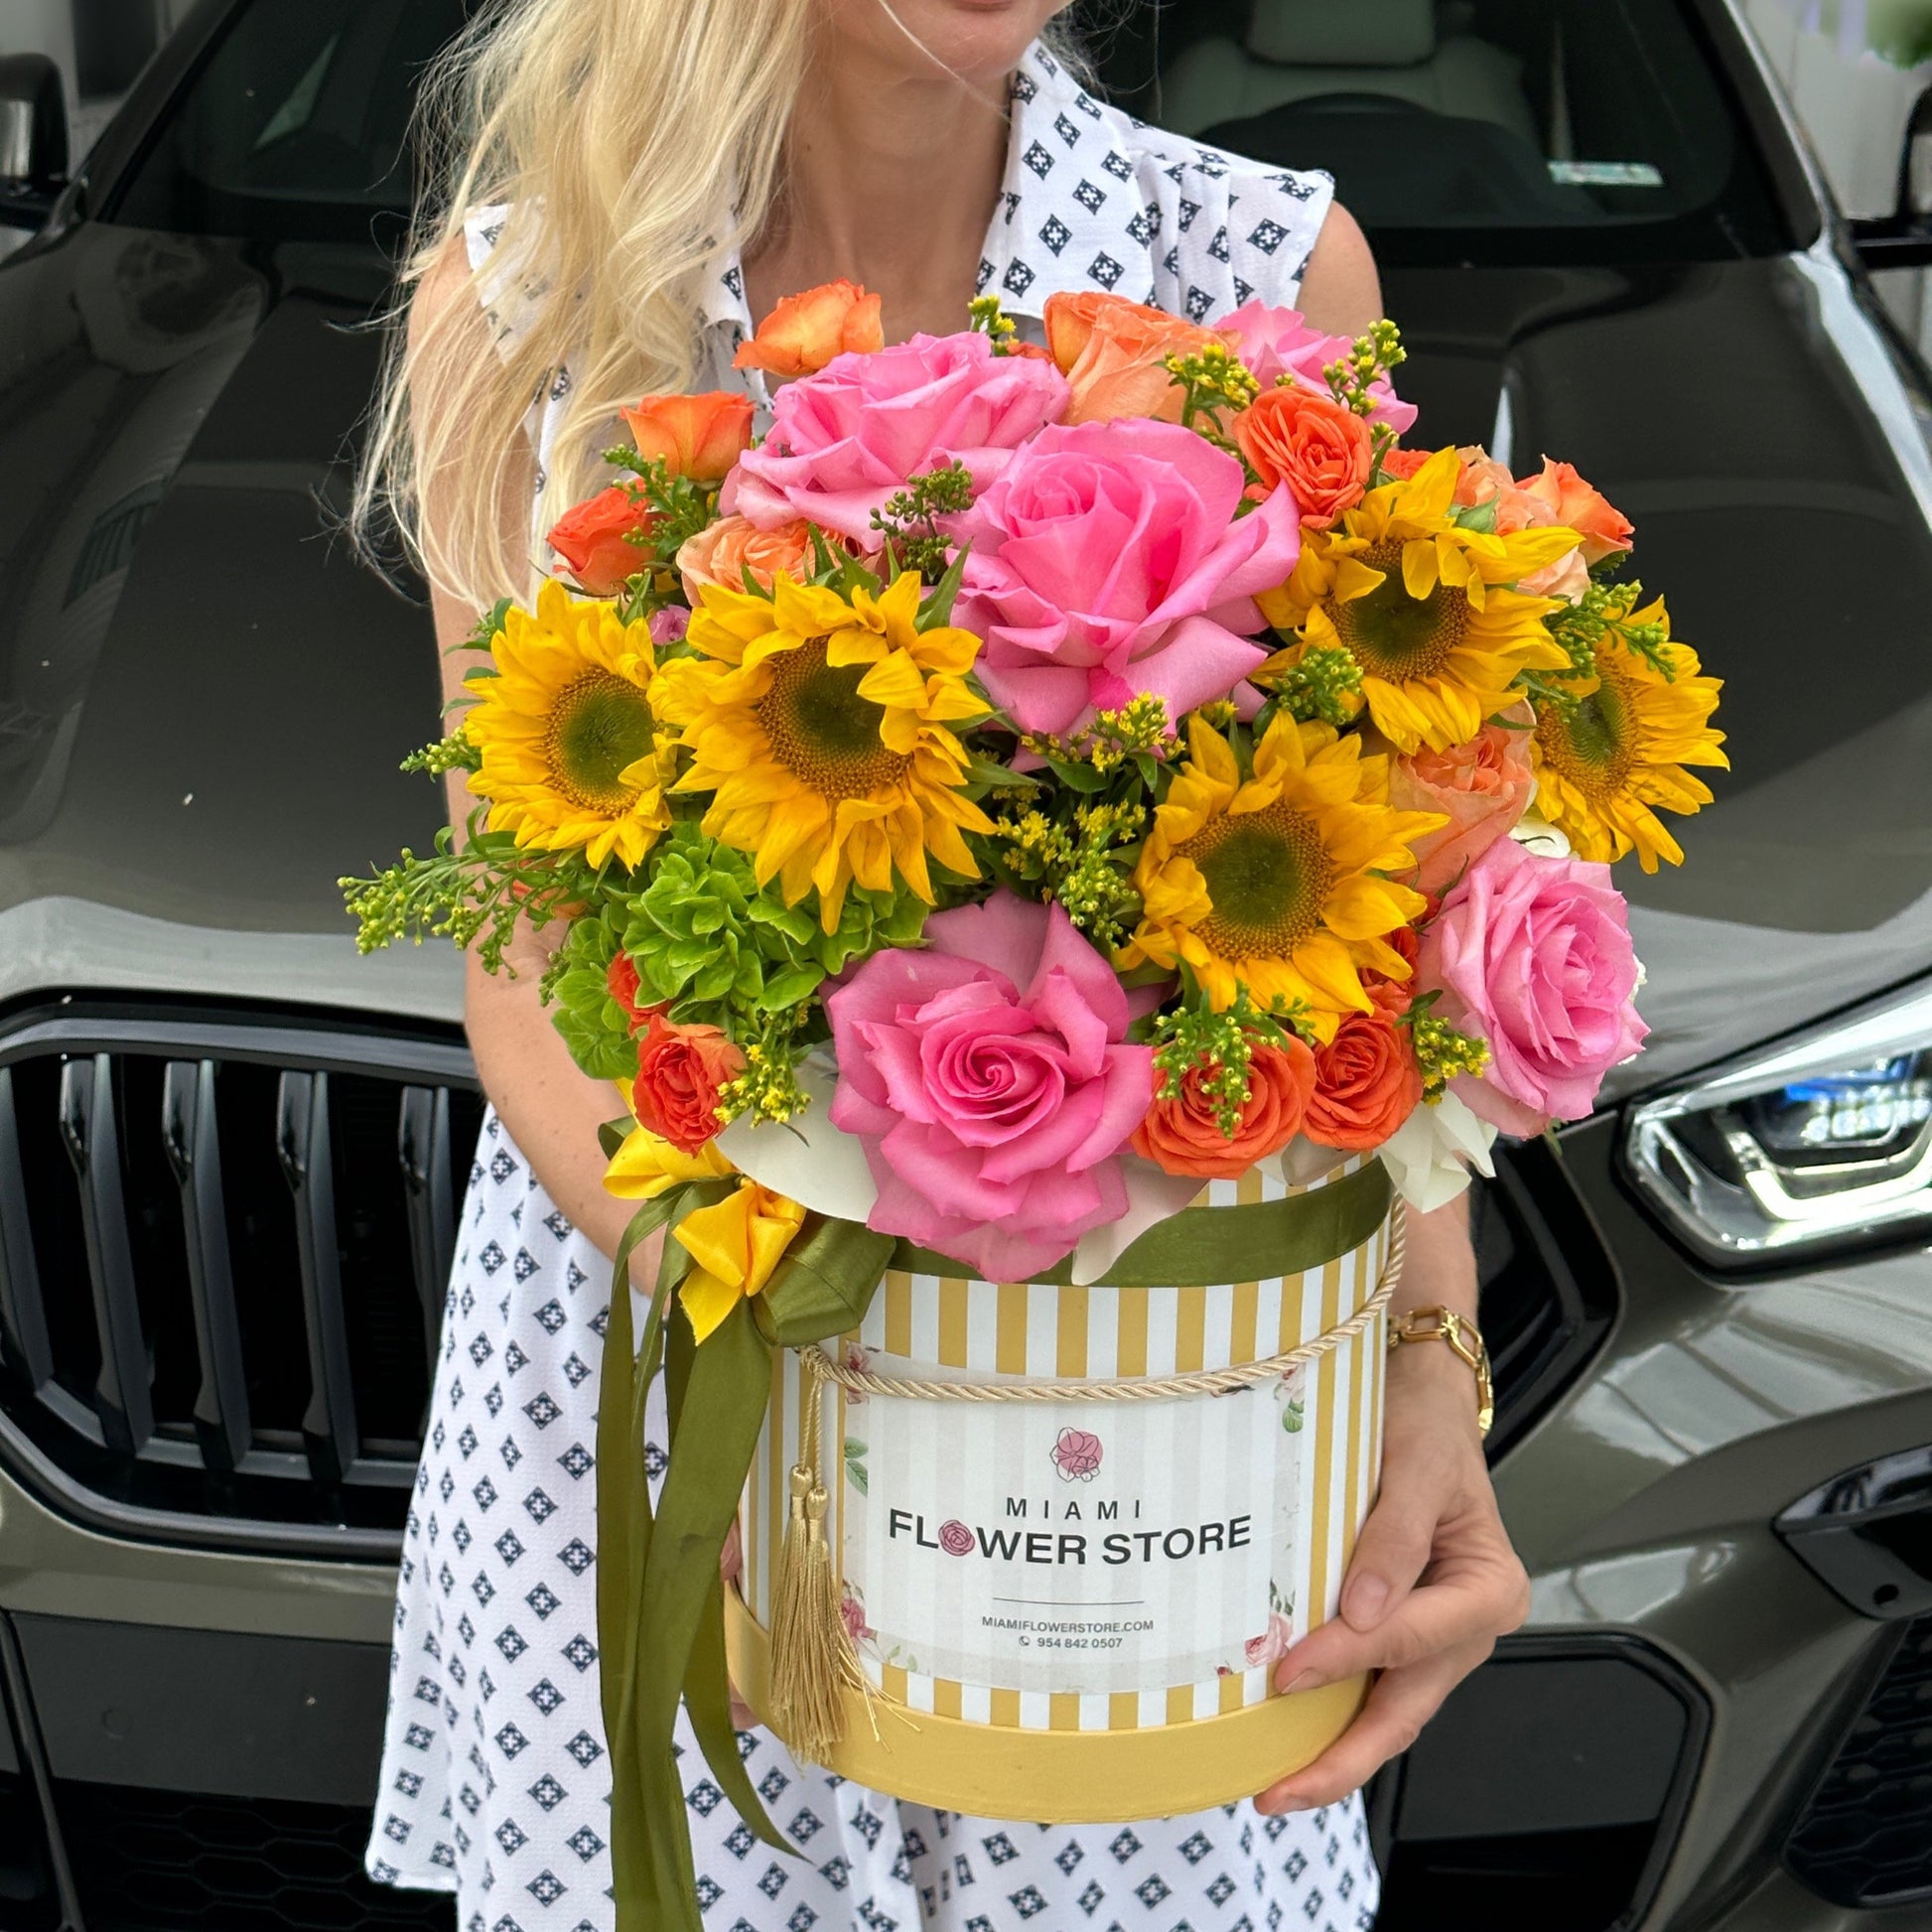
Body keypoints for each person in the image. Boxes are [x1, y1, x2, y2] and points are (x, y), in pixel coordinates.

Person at [355, 3, 1530, 1928]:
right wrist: (806, 1357)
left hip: (1152, 1419)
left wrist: (1424, 1364)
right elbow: (527, 944)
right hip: (681, 1360)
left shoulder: (1254, 271)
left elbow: (1366, 949)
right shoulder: (531, 302)